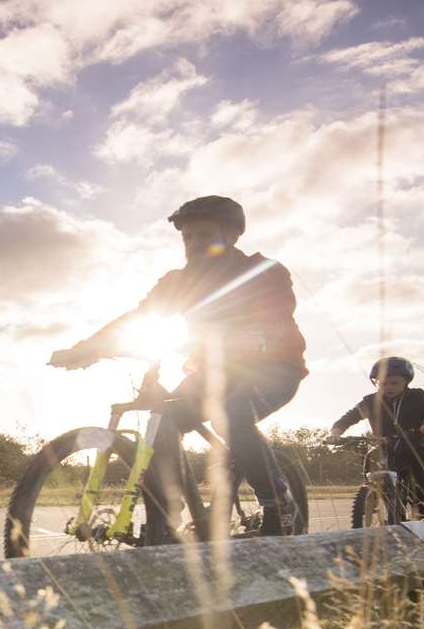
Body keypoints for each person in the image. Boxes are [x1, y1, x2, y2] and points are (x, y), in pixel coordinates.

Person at [48, 195, 306, 542]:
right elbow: (137, 317)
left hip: (272, 369)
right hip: (211, 374)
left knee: (229, 413)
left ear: (232, 235)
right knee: (165, 418)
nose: (195, 244)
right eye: (188, 237)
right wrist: (85, 349)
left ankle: (279, 503)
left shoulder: (263, 271)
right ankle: (168, 516)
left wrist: (254, 337)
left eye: (205, 235)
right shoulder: (178, 281)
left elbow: (272, 317)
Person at [327, 356, 424, 519]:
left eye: (394, 383)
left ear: (406, 381)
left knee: (419, 485)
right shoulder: (370, 401)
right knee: (372, 458)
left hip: (414, 446)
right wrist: (335, 433)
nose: (388, 387)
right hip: (384, 447)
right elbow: (348, 418)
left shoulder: (420, 397)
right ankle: (374, 492)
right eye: (382, 383)